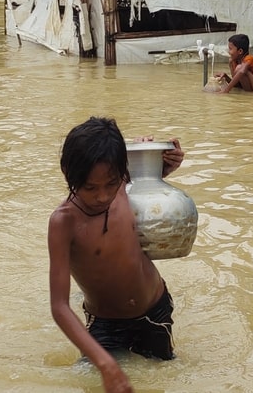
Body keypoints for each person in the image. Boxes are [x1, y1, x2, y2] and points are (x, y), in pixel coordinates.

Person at [48, 117, 185, 393]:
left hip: (155, 308)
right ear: (67, 173)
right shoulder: (64, 222)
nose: (102, 196)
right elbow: (59, 306)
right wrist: (104, 362)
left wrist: (164, 163)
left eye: (110, 184)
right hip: (107, 324)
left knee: (163, 378)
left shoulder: (122, 181)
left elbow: (149, 184)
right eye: (90, 188)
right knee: (95, 382)